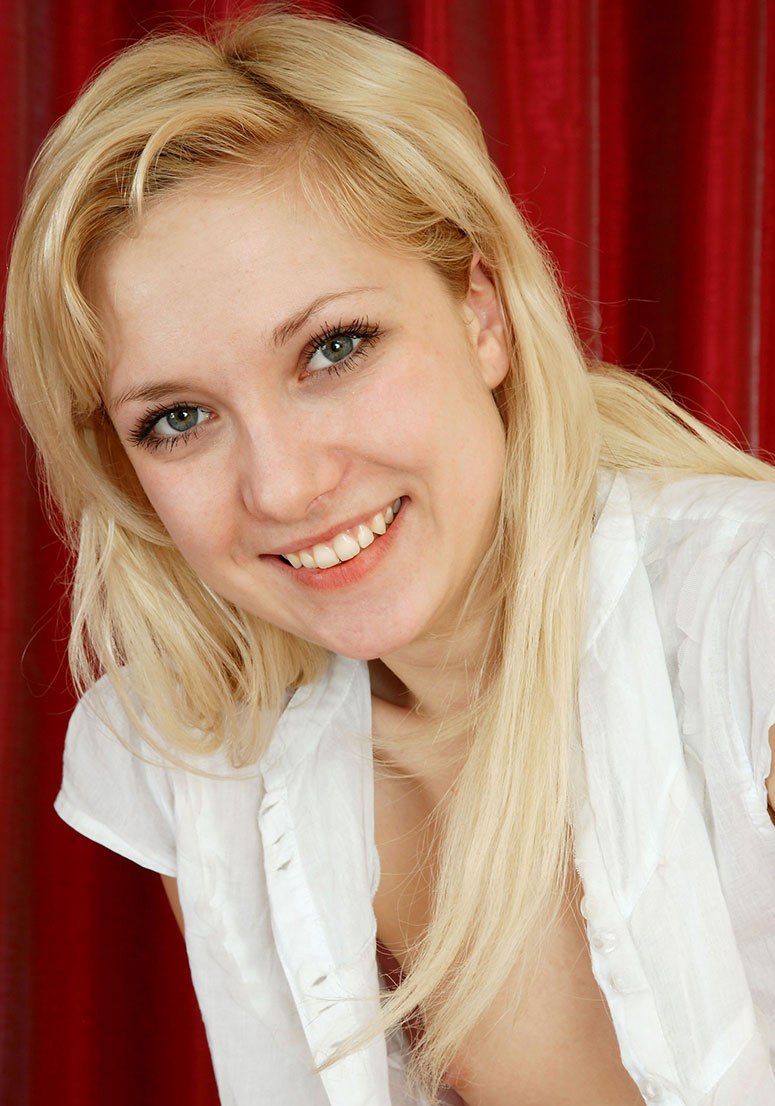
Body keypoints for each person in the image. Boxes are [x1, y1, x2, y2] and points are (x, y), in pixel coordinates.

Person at [5, 8, 775, 1106]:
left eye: (334, 348)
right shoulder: (207, 757)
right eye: (177, 418)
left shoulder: (749, 627)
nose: (282, 486)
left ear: (481, 313)